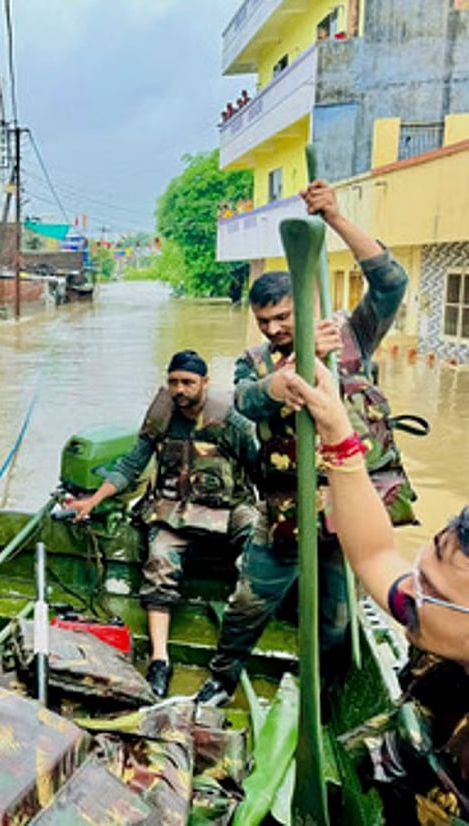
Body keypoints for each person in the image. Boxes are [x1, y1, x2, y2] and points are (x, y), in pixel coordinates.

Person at [195, 179, 410, 707]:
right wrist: (281, 381)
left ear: (307, 304)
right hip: (288, 510)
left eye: (284, 318)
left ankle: (328, 699)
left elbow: (390, 283)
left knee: (337, 619)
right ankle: (221, 683)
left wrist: (335, 216)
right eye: (264, 321)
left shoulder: (352, 336)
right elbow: (243, 400)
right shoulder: (257, 360)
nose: (273, 328)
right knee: (249, 602)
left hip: (347, 509)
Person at [286, 362, 469, 823]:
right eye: (420, 570)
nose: (409, 591)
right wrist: (337, 431)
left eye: (431, 590)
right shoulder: (439, 621)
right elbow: (373, 555)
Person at [67, 350, 259, 698]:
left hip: (230, 507)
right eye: (173, 382)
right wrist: (93, 500)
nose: (180, 389)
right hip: (176, 510)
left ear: (205, 383)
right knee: (158, 555)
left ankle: (237, 639)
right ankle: (159, 660)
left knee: (257, 537)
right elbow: (131, 465)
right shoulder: (161, 417)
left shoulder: (232, 423)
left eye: (188, 382)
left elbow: (260, 468)